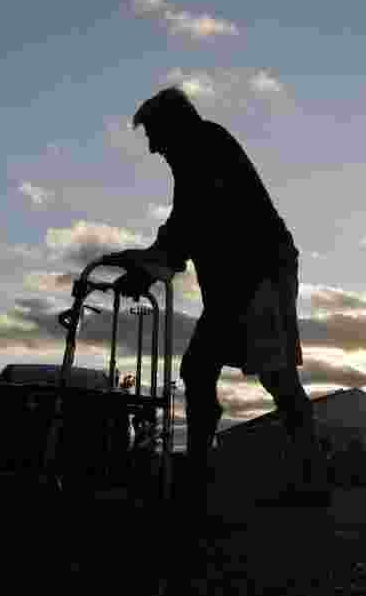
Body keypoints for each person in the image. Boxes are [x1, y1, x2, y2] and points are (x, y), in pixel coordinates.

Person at [112, 86, 330, 512]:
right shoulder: (197, 152)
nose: (154, 148)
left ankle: (307, 478)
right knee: (201, 369)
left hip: (261, 273)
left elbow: (191, 222)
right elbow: (184, 225)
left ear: (174, 124)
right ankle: (198, 474)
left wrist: (147, 267)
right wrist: (147, 264)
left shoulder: (206, 147)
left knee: (276, 375)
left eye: (155, 135)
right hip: (236, 281)